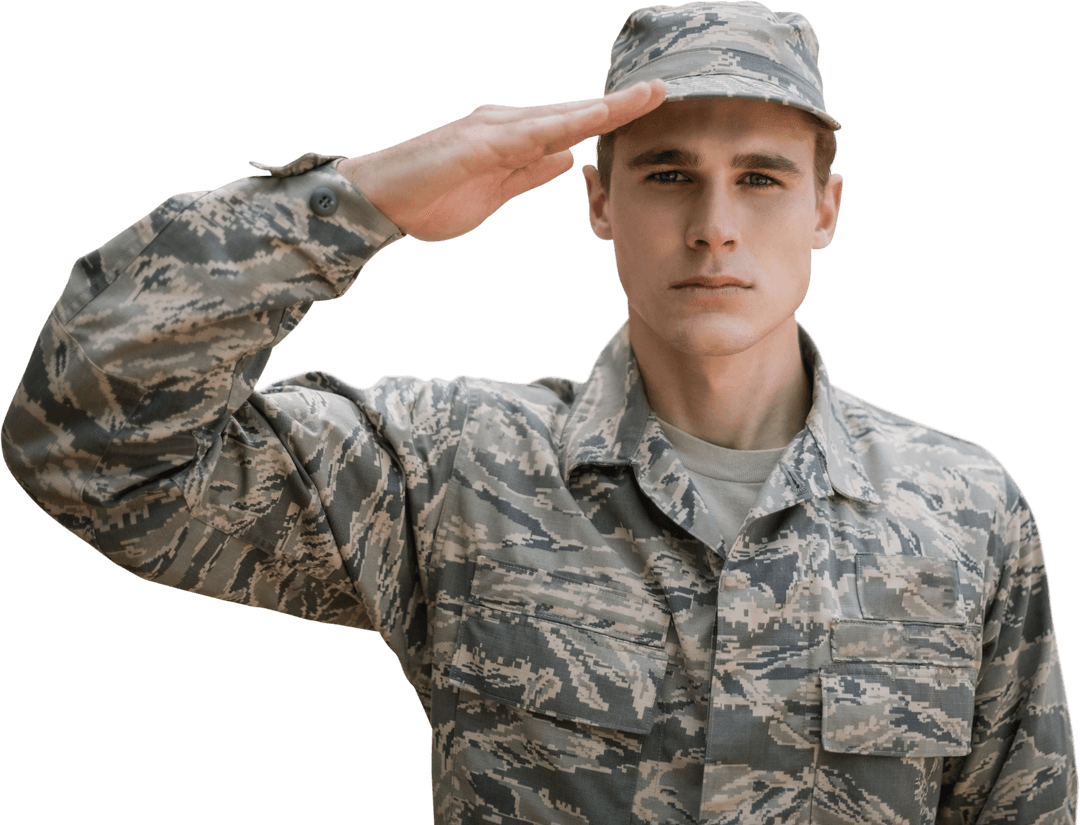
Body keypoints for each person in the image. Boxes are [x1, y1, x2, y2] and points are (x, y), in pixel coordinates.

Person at [3, 0, 1076, 822]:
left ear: (825, 209)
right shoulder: (451, 470)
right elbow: (91, 448)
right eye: (666, 175)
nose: (714, 226)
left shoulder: (962, 510)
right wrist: (359, 201)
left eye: (759, 178)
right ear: (600, 201)